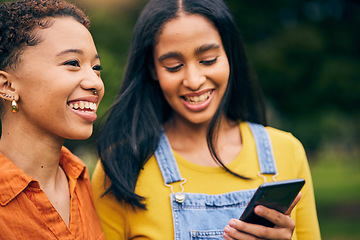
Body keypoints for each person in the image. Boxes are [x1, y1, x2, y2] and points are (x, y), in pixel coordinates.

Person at [91, 0, 321, 239]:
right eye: (174, 66)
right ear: (152, 69)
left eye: (208, 60)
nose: (193, 80)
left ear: (229, 55)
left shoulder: (286, 152)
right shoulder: (119, 166)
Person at [0, 0, 105, 239]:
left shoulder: (84, 180)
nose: (96, 83)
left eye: (96, 67)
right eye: (72, 63)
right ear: (7, 86)